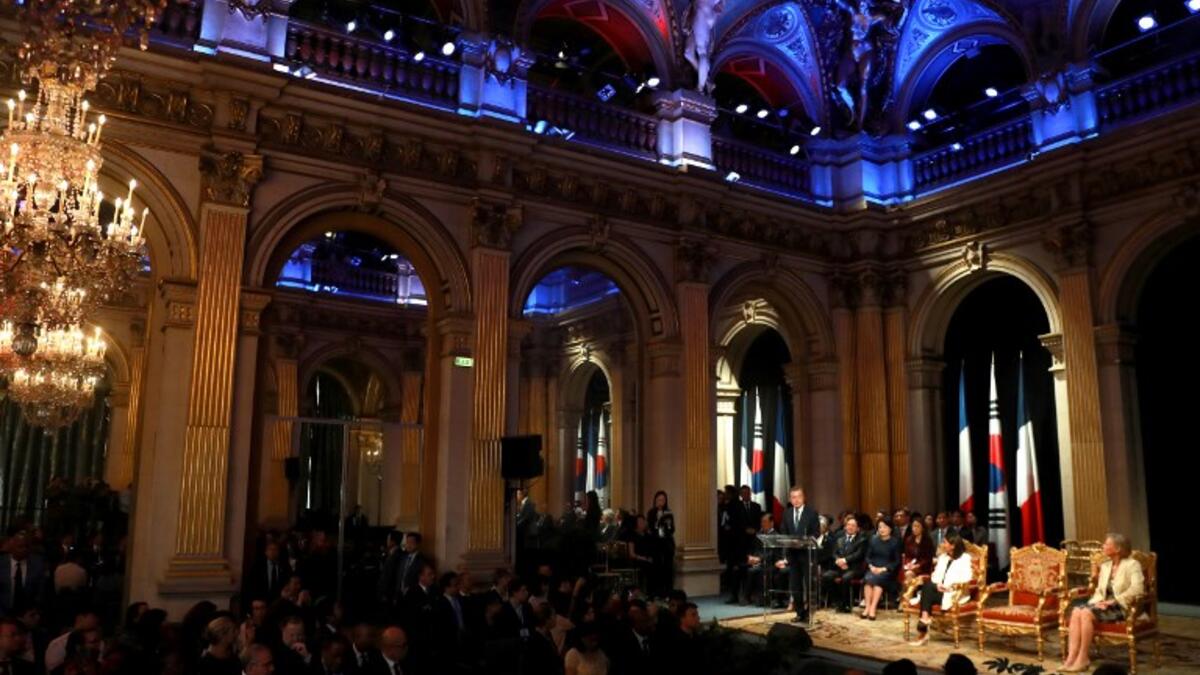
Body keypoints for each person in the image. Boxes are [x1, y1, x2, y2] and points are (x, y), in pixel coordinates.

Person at [1062, 533, 1144, 672]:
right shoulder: (1105, 566)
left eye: (1106, 544)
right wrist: (1096, 604)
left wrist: (1114, 601)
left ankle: (1083, 658)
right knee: (1076, 611)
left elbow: (1137, 588)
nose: (1103, 546)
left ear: (1118, 548)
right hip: (1103, 605)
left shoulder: (1132, 565)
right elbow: (1099, 592)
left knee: (1086, 613)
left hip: (1121, 607)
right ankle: (1071, 658)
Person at [909, 535, 974, 646]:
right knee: (928, 587)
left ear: (953, 546)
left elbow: (967, 578)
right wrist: (938, 585)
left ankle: (923, 628)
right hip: (939, 590)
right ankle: (924, 620)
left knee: (927, 591)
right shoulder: (943, 557)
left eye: (945, 542)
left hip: (954, 593)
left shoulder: (965, 558)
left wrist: (950, 587)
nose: (942, 545)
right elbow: (935, 575)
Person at [776, 486, 820, 622]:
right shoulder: (787, 513)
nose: (796, 500)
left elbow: (816, 532)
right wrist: (788, 546)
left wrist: (804, 541)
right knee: (795, 586)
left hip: (807, 555)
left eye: (799, 497)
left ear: (804, 497)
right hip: (793, 555)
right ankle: (800, 613)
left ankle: (810, 613)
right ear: (790, 499)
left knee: (809, 585)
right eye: (793, 497)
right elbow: (783, 531)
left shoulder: (811, 513)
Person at [821, 515, 867, 613]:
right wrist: (838, 560)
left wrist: (845, 560)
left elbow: (858, 555)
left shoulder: (862, 540)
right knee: (826, 576)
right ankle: (837, 601)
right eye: (848, 525)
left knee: (846, 578)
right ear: (845, 527)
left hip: (854, 568)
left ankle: (847, 604)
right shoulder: (840, 539)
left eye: (853, 525)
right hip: (839, 568)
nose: (850, 527)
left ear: (858, 528)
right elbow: (834, 553)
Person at [861, 517, 901, 620]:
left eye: (885, 527)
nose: (882, 529)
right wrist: (871, 566)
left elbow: (897, 561)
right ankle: (867, 608)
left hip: (886, 571)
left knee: (877, 582)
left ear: (890, 529)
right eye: (880, 527)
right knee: (868, 581)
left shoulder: (895, 542)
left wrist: (884, 569)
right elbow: (868, 557)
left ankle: (873, 608)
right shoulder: (873, 540)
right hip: (873, 568)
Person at [0, 534, 46, 616]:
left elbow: (41, 591)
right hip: (3, 613)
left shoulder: (37, 564)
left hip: (28, 614)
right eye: (20, 546)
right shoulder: (1, 563)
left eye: (26, 547)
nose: (24, 549)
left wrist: (34, 610)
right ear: (12, 547)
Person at [646, 491, 675, 598]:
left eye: (663, 500)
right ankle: (656, 592)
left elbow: (672, 529)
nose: (661, 502)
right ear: (655, 500)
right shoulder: (651, 512)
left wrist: (668, 525)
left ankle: (668, 592)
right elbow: (650, 528)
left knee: (668, 568)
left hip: (667, 543)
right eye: (659, 500)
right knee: (657, 567)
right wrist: (658, 520)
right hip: (655, 543)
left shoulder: (668, 512)